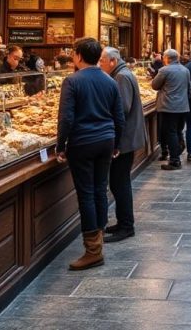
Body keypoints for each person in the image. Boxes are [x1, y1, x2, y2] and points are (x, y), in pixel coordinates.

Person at [54, 37, 124, 271]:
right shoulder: (110, 80)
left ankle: (93, 251)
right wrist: (116, 143)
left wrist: (60, 145)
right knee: (100, 189)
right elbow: (119, 117)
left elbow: (66, 117)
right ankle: (98, 241)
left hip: (82, 142)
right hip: (106, 140)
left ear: (78, 56)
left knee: (86, 194)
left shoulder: (72, 81)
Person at [99, 47, 147, 243]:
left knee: (120, 183)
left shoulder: (121, 77)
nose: (100, 64)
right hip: (127, 137)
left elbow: (122, 109)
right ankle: (123, 222)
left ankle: (126, 226)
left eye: (102, 61)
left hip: (125, 139)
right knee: (119, 182)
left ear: (112, 61)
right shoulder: (122, 73)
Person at [152, 48, 191, 170]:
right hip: (183, 106)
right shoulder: (185, 70)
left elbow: (154, 85)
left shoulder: (164, 70)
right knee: (178, 130)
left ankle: (175, 160)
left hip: (169, 106)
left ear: (167, 58)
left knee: (171, 132)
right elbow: (190, 89)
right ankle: (179, 148)